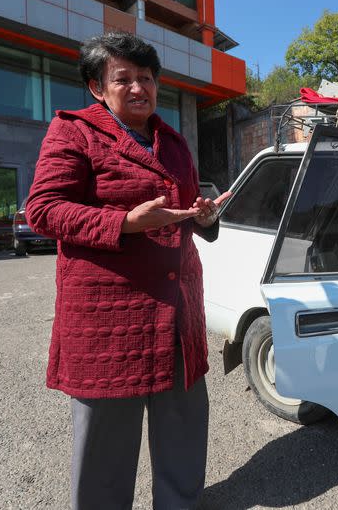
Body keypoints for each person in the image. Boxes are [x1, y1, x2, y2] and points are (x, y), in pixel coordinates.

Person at [25, 32, 230, 509]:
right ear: (98, 87)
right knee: (105, 454)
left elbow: (183, 215)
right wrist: (125, 223)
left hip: (179, 315)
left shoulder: (174, 143)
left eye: (147, 78)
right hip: (110, 321)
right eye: (124, 79)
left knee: (183, 433)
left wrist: (204, 217)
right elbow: (43, 209)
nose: (139, 88)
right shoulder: (73, 130)